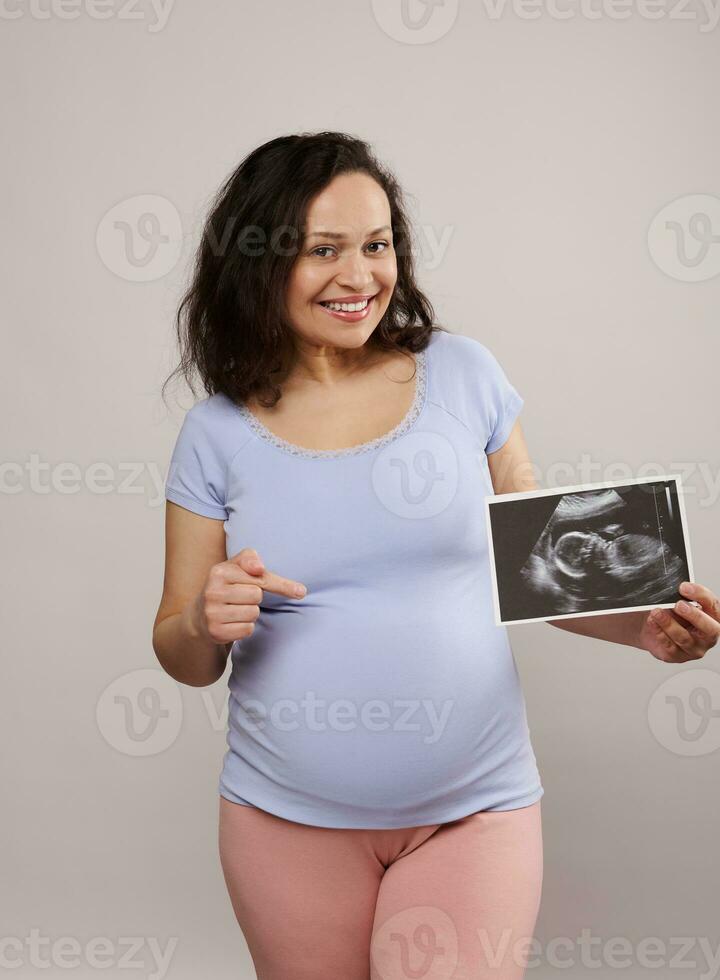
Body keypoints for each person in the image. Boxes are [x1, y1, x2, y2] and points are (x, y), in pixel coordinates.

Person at [152, 132, 719, 980]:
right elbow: (180, 652)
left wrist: (647, 627)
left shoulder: (464, 375)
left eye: (377, 245)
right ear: (257, 263)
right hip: (284, 823)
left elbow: (545, 573)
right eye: (324, 250)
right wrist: (205, 619)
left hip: (474, 812)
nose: (361, 277)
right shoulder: (216, 434)